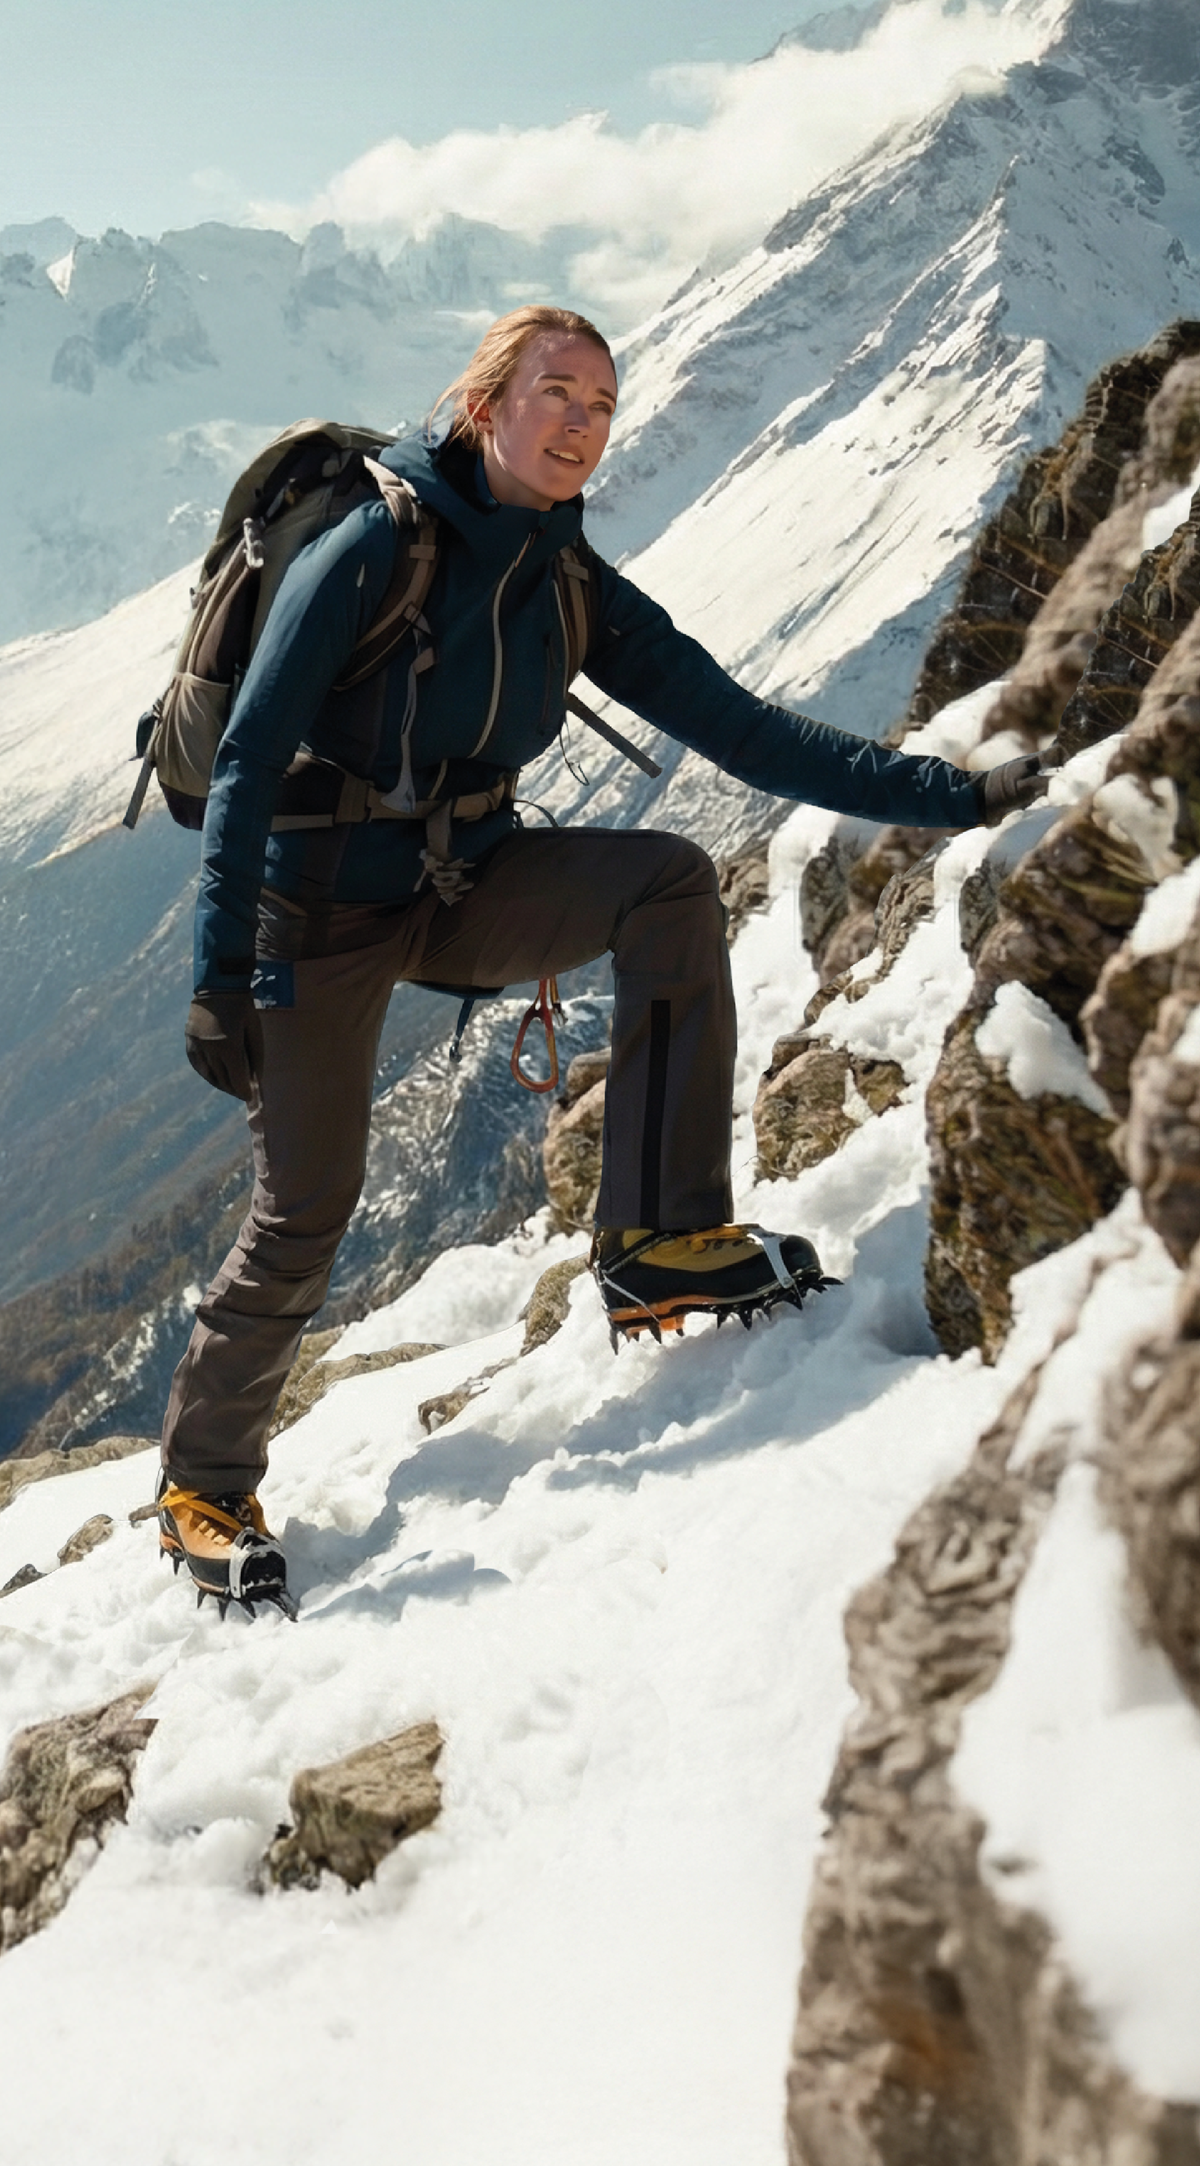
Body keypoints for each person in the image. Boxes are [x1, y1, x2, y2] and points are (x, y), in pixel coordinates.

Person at [155, 304, 1046, 1617]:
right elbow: (244, 762)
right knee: (309, 1206)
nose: (581, 423)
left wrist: (952, 795)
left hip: (459, 887)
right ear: (485, 407)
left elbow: (744, 729)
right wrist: (219, 976)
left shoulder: (565, 577)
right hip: (316, 915)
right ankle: (204, 1486)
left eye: (602, 404)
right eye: (556, 393)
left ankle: (662, 1238)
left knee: (669, 886)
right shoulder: (371, 547)